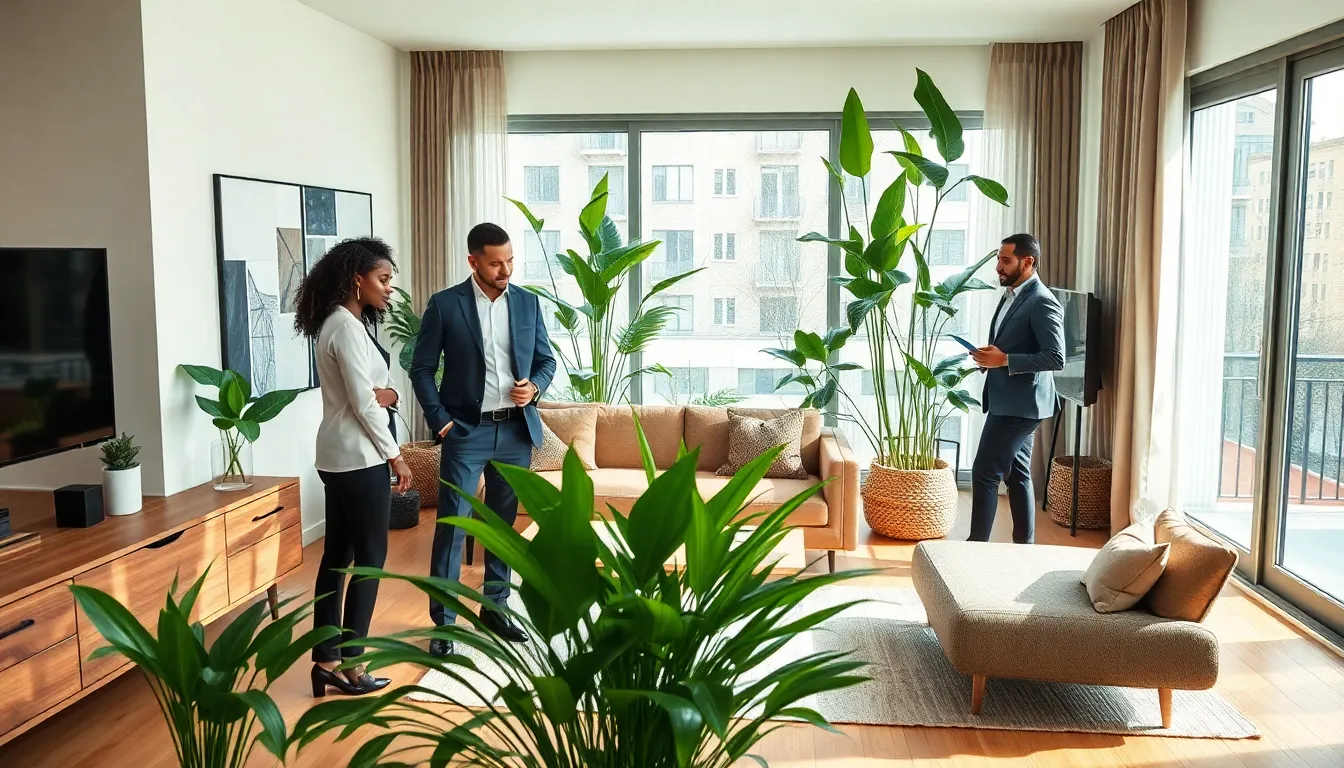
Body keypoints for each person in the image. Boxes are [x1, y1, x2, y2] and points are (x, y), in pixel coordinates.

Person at [411, 222, 556, 657]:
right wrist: (440, 421)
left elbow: (546, 360)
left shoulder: (527, 303)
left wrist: (535, 387)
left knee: (501, 527)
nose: (505, 270)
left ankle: (496, 609)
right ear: (473, 261)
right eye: (496, 263)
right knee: (453, 526)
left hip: (515, 430)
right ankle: (444, 623)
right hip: (465, 432)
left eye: (510, 261)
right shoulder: (445, 305)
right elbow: (422, 369)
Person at [293, 236, 413, 696]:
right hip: (360, 459)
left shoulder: (340, 324)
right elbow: (365, 403)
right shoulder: (344, 327)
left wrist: (390, 394)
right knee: (370, 560)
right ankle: (353, 665)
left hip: (337, 456)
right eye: (383, 279)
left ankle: (326, 660)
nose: (389, 288)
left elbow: (377, 392)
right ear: (357, 279)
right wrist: (395, 455)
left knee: (336, 558)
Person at [968, 234, 1065, 545]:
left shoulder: (1042, 300)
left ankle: (974, 549)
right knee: (1017, 474)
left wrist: (1005, 360)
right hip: (1012, 401)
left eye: (1005, 260)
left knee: (985, 472)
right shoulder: (1012, 293)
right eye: (999, 259)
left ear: (1028, 262)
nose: (998, 266)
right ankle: (1025, 548)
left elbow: (1056, 357)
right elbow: (1012, 343)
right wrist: (991, 358)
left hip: (1019, 406)